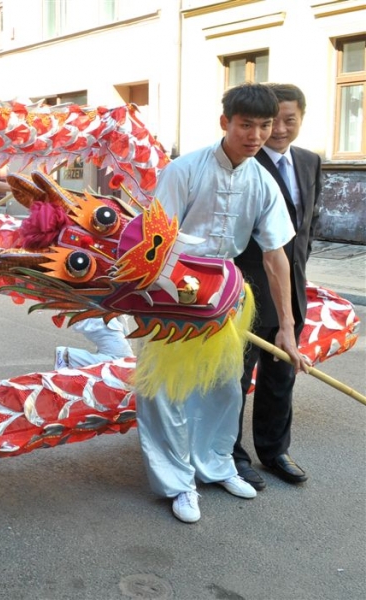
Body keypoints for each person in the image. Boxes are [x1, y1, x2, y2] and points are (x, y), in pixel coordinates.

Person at [135, 83, 308, 524]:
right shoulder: (184, 170)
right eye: (246, 125)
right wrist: (180, 290)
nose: (256, 135)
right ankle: (178, 483)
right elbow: (156, 242)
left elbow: (275, 256)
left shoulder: (262, 181)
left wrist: (287, 327)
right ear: (224, 122)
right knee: (166, 391)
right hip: (171, 292)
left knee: (224, 386)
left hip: (226, 295)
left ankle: (215, 465)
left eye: (264, 126)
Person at [233, 83, 322, 490]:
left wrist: (298, 280)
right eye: (274, 122)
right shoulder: (244, 162)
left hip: (291, 291)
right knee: (235, 381)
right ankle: (232, 456)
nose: (280, 130)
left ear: (301, 117)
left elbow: (306, 227)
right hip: (249, 291)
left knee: (281, 376)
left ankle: (274, 451)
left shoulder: (309, 161)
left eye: (290, 120)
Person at [54, 316, 135, 369]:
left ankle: (68, 359)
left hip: (104, 320)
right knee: (123, 363)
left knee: (122, 363)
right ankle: (66, 357)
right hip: (101, 319)